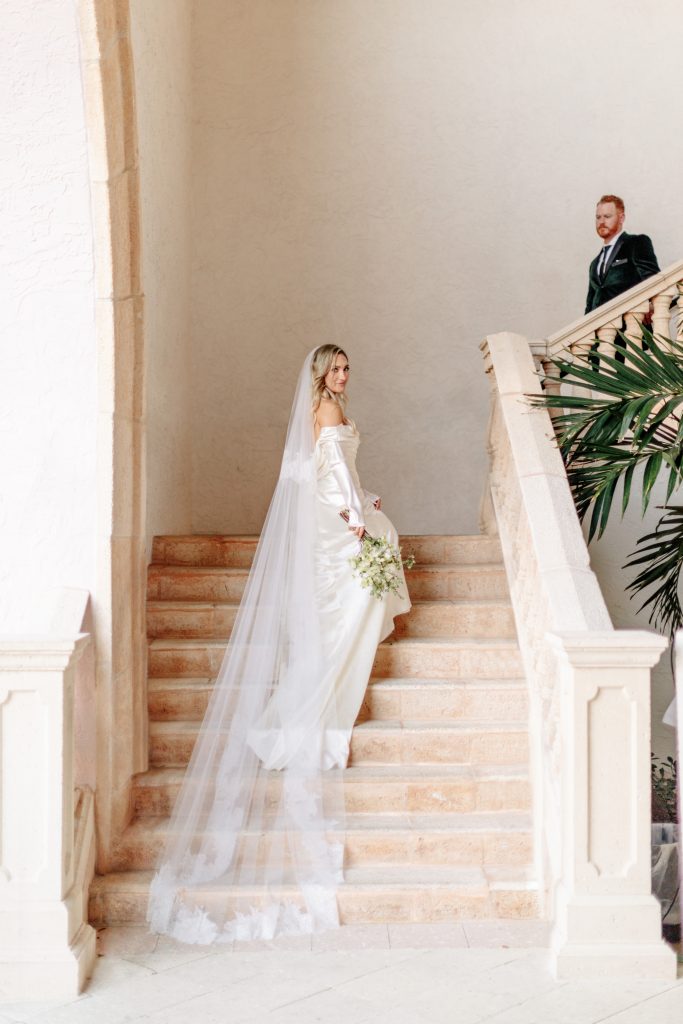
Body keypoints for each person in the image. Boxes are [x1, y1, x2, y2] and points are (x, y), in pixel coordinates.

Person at [147, 345, 410, 945]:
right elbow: (334, 474)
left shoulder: (331, 407)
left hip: (334, 508)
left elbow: (332, 470)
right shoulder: (323, 409)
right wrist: (355, 519)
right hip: (331, 516)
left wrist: (360, 503)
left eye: (348, 367)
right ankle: (323, 692)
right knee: (364, 577)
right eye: (338, 368)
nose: (345, 375)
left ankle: (332, 683)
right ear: (321, 374)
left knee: (363, 582)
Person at [585, 195, 659, 314]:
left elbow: (653, 282)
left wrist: (649, 306)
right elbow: (590, 305)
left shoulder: (637, 243)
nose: (602, 222)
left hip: (631, 327)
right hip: (601, 330)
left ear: (621, 218)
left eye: (607, 216)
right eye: (598, 217)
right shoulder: (594, 264)